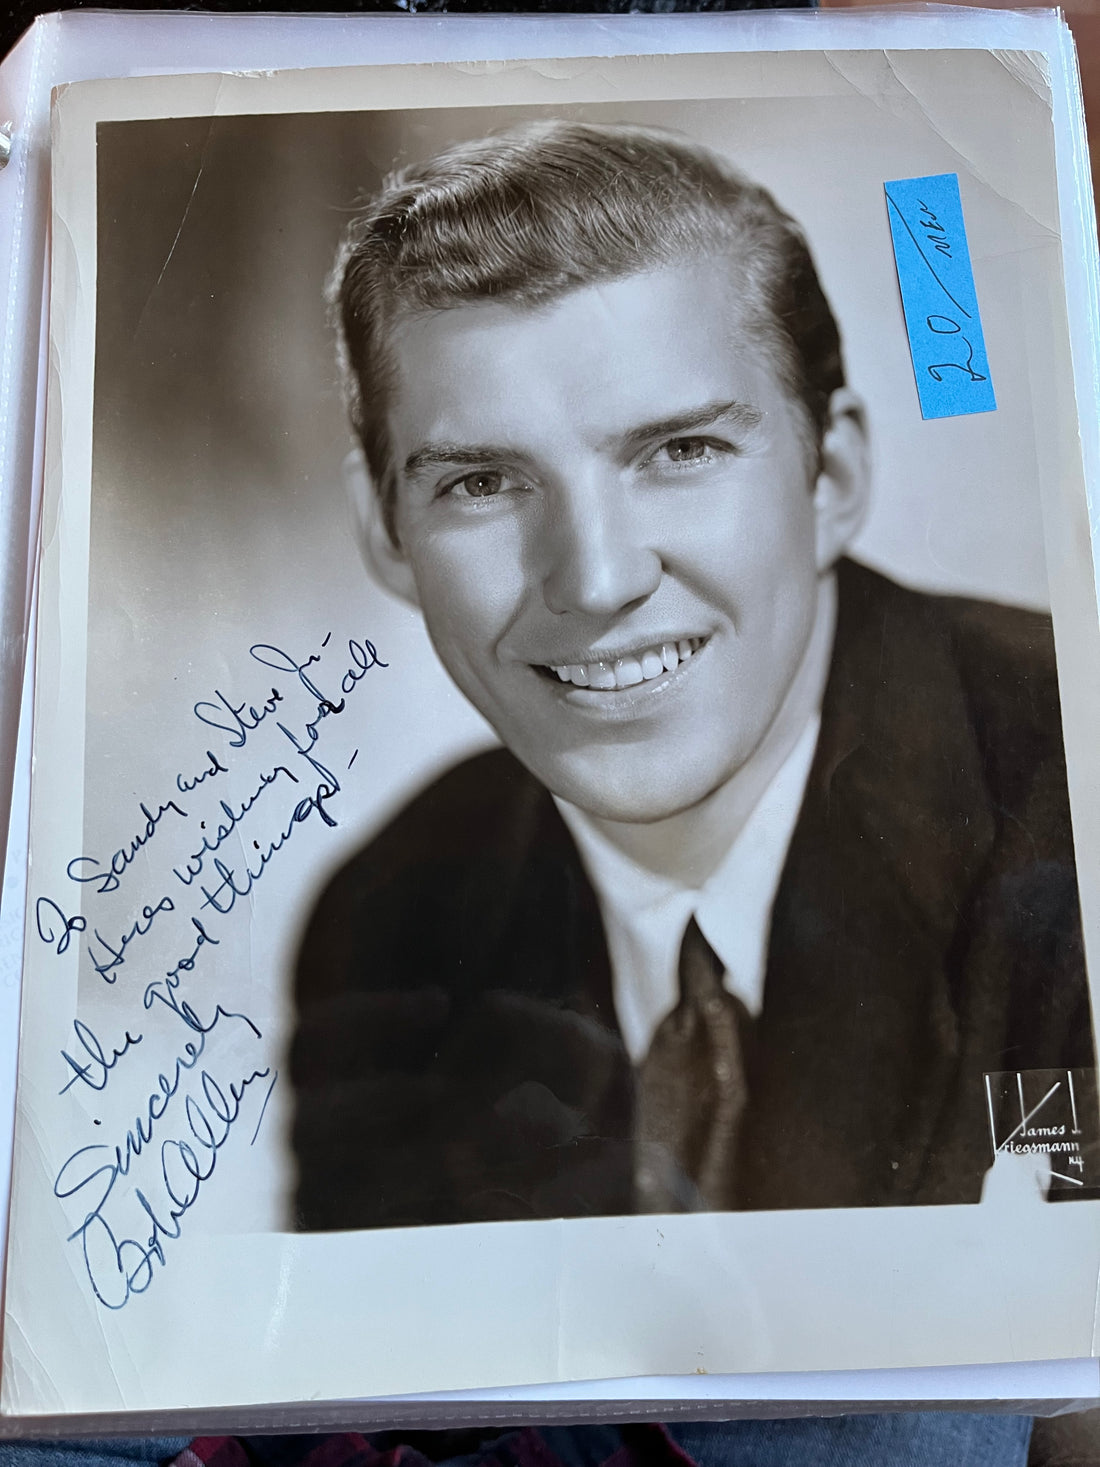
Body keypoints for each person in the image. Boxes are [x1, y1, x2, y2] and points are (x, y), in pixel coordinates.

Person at [290, 120, 1094, 1231]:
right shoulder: (389, 921)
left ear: (831, 478)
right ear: (385, 534)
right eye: (481, 483)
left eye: (680, 453)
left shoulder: (1076, 801)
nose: (597, 578)